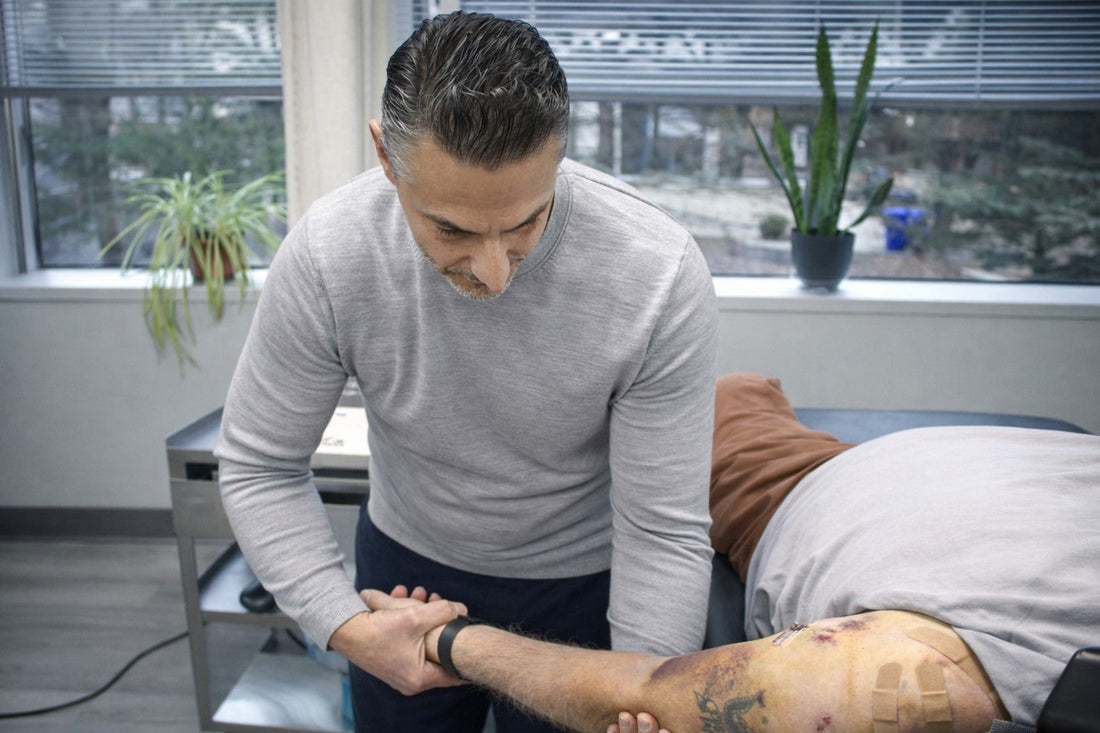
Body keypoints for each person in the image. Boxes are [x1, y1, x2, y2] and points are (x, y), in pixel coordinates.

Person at [214, 10, 717, 733]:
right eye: (451, 228)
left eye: (525, 223)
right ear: (387, 159)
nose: (494, 271)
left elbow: (662, 529)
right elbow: (260, 464)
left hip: (583, 588)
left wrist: (645, 686)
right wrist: (345, 623)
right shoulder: (330, 255)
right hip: (404, 579)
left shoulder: (656, 272)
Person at [363, 373, 1100, 733]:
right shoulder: (934, 674)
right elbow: (650, 685)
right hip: (913, 474)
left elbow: (652, 685)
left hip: (884, 480)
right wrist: (449, 637)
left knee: (707, 411)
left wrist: (445, 636)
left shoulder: (929, 672)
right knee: (708, 403)